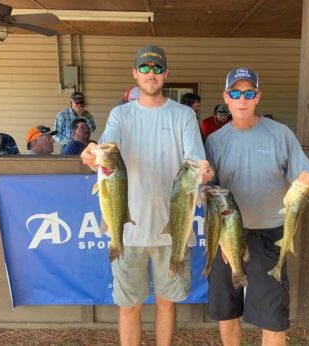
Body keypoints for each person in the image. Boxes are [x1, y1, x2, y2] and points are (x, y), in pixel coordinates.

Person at [81, 44, 212, 346]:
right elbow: (108, 148)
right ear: (135, 74)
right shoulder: (121, 114)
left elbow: (195, 162)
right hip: (128, 230)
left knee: (167, 302)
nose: (150, 74)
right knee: (129, 306)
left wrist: (203, 171)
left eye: (156, 68)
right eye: (144, 68)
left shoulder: (183, 115)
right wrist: (93, 154)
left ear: (165, 74)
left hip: (172, 229)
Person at [204, 67, 309, 346]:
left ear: (258, 97)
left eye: (248, 92)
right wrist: (219, 234)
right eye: (235, 92)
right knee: (227, 310)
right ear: (226, 97)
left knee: (273, 316)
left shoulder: (280, 135)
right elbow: (207, 189)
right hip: (226, 234)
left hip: (270, 234)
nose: (241, 98)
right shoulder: (215, 141)